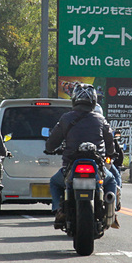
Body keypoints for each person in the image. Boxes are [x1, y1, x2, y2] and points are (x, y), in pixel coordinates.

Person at [45, 83, 118, 229]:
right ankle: (111, 212)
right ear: (93, 101)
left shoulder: (66, 119)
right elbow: (110, 140)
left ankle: (58, 210)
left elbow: (52, 142)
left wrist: (50, 148)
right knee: (111, 181)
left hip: (71, 166)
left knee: (55, 182)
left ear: (74, 100)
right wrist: (110, 153)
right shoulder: (100, 119)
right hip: (96, 165)